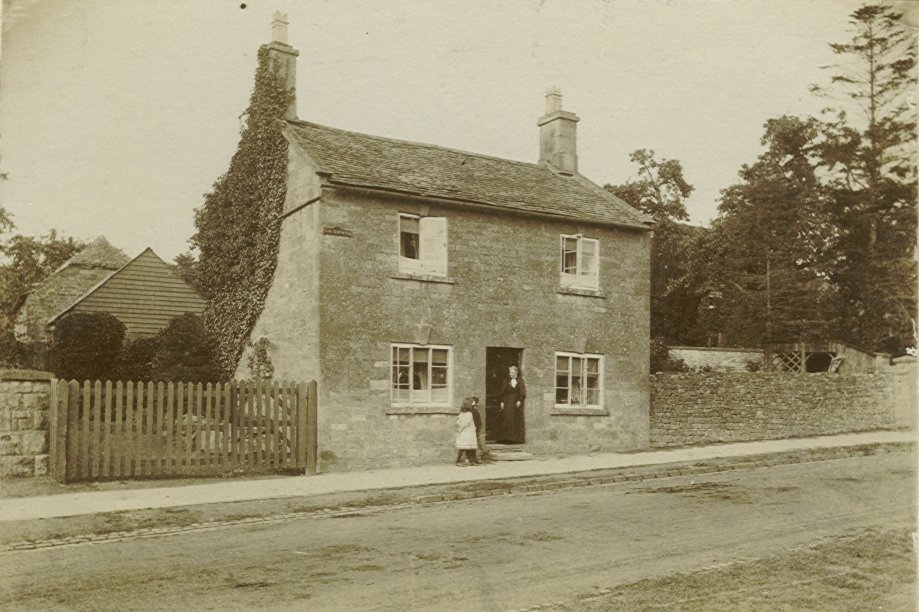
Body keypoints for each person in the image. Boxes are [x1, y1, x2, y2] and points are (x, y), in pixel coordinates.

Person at [499, 365, 526, 443]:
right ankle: (505, 439)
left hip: (515, 403)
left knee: (515, 419)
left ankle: (515, 439)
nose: (511, 374)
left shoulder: (520, 380)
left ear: (516, 372)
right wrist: (502, 401)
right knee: (506, 419)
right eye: (510, 372)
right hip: (507, 402)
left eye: (513, 372)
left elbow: (522, 392)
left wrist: (520, 401)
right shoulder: (506, 380)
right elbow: (502, 392)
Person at [454, 398, 479, 466]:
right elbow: (466, 423)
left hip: (464, 432)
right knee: (464, 447)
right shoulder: (469, 414)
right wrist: (461, 428)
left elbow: (458, 421)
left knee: (466, 447)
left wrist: (460, 428)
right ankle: (458, 461)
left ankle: (470, 461)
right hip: (468, 432)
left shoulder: (461, 414)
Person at [469, 396, 491, 462]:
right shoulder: (473, 410)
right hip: (474, 429)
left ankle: (478, 457)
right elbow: (475, 420)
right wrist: (477, 427)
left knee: (477, 443)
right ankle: (475, 458)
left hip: (476, 428)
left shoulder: (475, 410)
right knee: (476, 443)